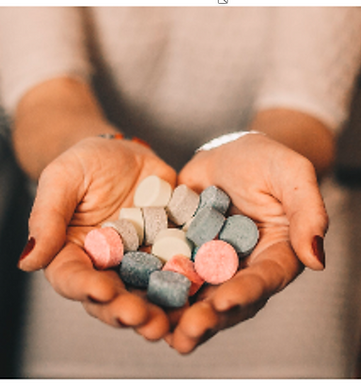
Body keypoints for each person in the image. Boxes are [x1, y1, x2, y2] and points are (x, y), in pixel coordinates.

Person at [1, 6, 361, 378]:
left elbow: (304, 107)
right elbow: (45, 97)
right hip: (93, 215)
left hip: (271, 218)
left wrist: (274, 156)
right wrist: (87, 147)